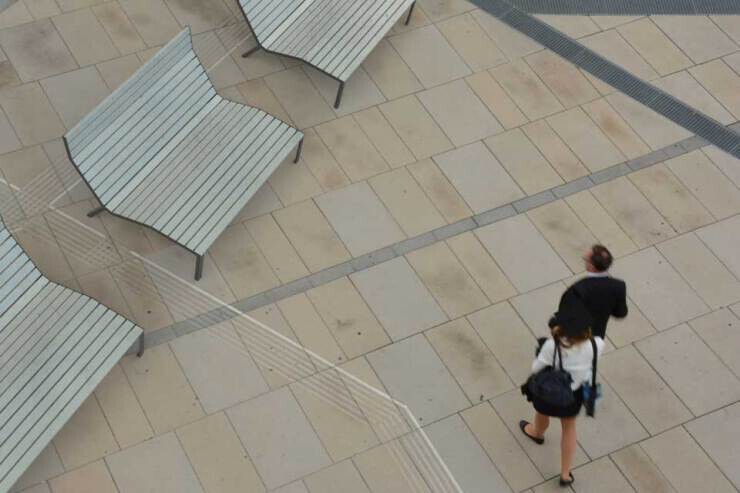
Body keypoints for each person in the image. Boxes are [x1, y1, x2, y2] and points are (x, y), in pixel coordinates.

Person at [520, 303, 605, 487]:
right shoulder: (596, 344)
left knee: (542, 414)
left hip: (550, 391)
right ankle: (565, 474)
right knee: (569, 428)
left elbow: (535, 368)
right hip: (573, 395)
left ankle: (537, 433)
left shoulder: (553, 346)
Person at [549, 244, 627, 339]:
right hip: (596, 341)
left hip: (574, 341)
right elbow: (620, 313)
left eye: (585, 260)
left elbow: (564, 317)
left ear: (591, 265)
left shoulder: (577, 289)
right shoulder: (618, 286)